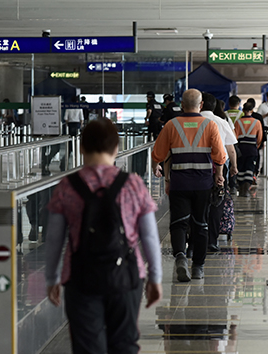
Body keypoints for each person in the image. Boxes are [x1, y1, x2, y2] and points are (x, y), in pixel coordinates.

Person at [45, 118, 162, 353]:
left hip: (81, 276)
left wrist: (52, 278)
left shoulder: (67, 186)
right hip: (127, 276)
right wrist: (155, 277)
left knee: (87, 347)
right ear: (116, 148)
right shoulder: (133, 184)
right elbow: (149, 235)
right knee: (124, 344)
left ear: (81, 148)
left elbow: (54, 237)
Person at [151, 89, 226, 282]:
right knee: (201, 224)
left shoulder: (171, 125)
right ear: (201, 105)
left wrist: (156, 167)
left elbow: (158, 153)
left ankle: (181, 257)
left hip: (179, 183)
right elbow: (219, 156)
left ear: (182, 105)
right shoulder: (210, 125)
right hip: (203, 184)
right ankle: (198, 268)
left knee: (179, 222)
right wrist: (219, 175)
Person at [200, 93, 239, 251]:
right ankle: (212, 241)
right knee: (216, 203)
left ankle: (195, 241)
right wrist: (234, 166)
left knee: (198, 204)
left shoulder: (190, 122)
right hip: (219, 167)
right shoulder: (221, 122)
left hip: (195, 168)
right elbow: (231, 149)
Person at [234, 101, 263, 197]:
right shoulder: (257, 122)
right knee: (249, 168)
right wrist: (256, 146)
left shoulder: (238, 122)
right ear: (252, 110)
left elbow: (235, 137)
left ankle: (241, 187)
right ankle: (246, 188)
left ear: (242, 110)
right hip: (252, 149)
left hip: (241, 148)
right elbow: (260, 138)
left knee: (241, 168)